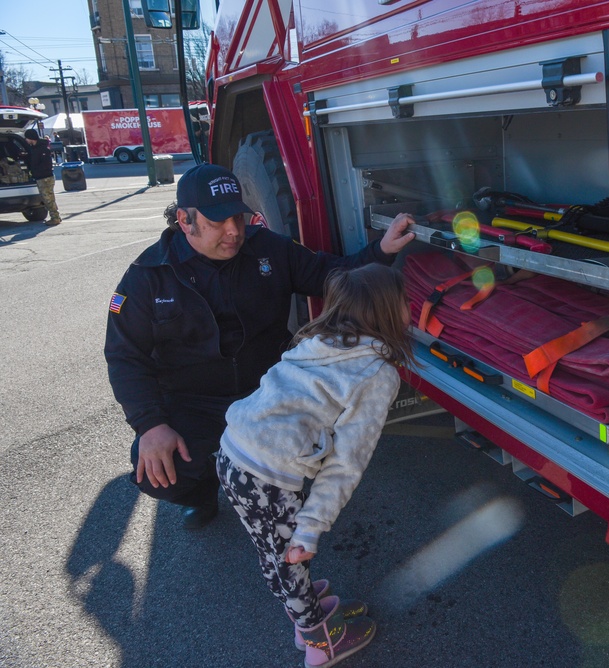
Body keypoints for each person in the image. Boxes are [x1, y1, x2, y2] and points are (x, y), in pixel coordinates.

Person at [104, 163, 416, 529]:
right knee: (157, 472)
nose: (234, 231)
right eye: (218, 222)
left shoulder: (270, 249)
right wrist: (150, 425)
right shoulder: (146, 278)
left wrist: (381, 250)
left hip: (268, 390)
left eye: (238, 216)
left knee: (319, 446)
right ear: (185, 220)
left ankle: (278, 489)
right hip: (194, 400)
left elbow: (332, 274)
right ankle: (203, 491)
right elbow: (125, 356)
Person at [217, 263, 413, 667]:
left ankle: (304, 609)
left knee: (271, 552)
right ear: (388, 312)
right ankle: (319, 642)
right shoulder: (377, 372)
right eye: (406, 301)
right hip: (266, 474)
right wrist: (311, 527)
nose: (411, 308)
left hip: (232, 450)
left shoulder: (321, 339)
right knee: (292, 557)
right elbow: (347, 461)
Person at [22, 129, 62, 226]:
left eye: (27, 138)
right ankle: (56, 217)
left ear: (31, 138)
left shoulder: (43, 149)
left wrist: (37, 173)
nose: (26, 140)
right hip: (41, 177)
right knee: (48, 198)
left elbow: (45, 164)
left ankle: (55, 218)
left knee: (48, 199)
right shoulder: (34, 149)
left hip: (45, 177)